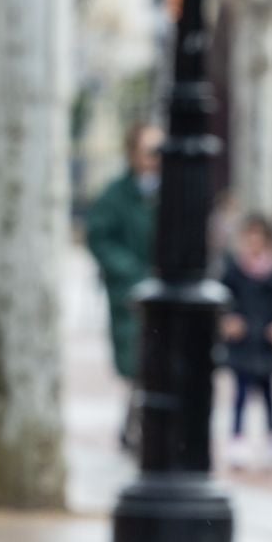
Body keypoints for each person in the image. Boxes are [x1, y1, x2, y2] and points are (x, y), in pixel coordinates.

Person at [84, 122, 162, 450]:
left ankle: (139, 426)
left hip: (163, 291)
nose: (155, 159)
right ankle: (136, 427)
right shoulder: (115, 195)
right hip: (129, 295)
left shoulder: (171, 192)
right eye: (149, 151)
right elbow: (100, 238)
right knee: (137, 362)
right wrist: (130, 273)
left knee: (158, 364)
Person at [218, 213, 272, 471]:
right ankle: (237, 439)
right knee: (239, 394)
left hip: (266, 345)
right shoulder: (233, 269)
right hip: (243, 345)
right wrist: (228, 320)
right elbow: (222, 300)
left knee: (269, 396)